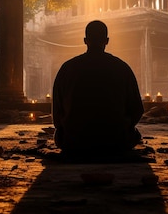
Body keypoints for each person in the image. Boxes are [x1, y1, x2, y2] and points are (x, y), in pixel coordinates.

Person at [52, 20, 144, 158]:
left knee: (59, 135)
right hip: (116, 141)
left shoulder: (68, 68)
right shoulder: (122, 68)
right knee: (135, 134)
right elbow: (137, 110)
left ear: (85, 40)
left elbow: (57, 115)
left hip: (74, 141)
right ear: (107, 41)